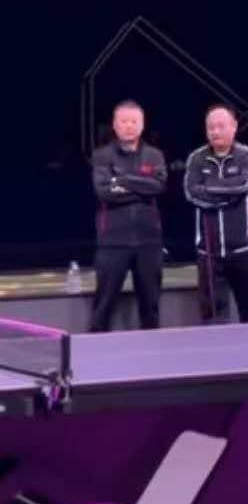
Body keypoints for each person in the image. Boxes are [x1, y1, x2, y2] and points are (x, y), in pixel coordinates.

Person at [90, 100, 167, 332]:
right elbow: (105, 193)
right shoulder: (102, 156)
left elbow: (158, 186)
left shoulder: (154, 155)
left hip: (149, 242)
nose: (129, 126)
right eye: (124, 121)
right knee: (103, 305)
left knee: (150, 306)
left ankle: (153, 349)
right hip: (112, 242)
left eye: (134, 121)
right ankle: (96, 348)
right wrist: (141, 188)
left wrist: (123, 180)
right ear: (115, 125)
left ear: (142, 125)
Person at [184, 105, 248, 323]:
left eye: (220, 126)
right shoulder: (196, 158)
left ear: (234, 126)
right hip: (209, 255)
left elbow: (243, 186)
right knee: (212, 320)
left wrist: (207, 187)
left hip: (245, 250)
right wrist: (228, 195)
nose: (215, 131)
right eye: (210, 127)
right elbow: (191, 193)